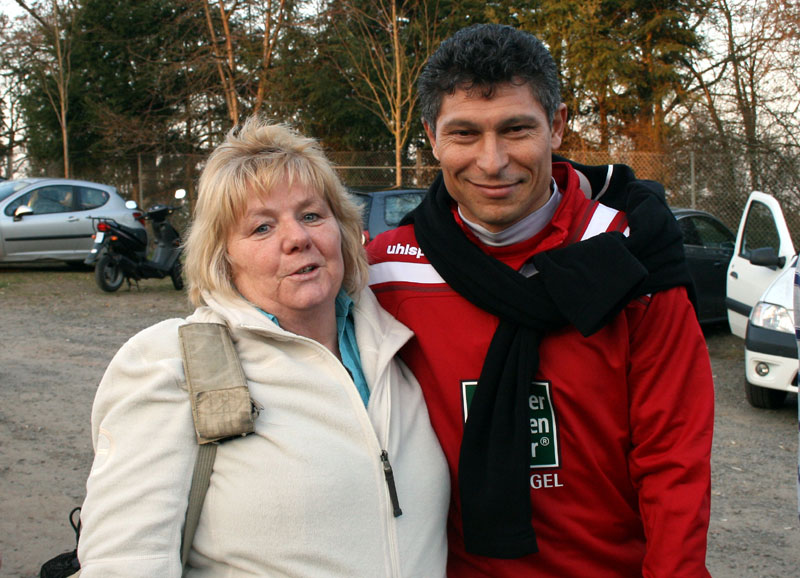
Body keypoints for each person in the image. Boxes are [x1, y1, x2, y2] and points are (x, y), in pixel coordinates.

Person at [367, 23, 714, 577]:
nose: (492, 160)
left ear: (556, 126)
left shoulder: (634, 255)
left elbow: (673, 456)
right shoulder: (385, 272)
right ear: (431, 137)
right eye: (464, 134)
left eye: (515, 128)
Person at [77, 117, 450, 576]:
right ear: (222, 256)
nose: (297, 238)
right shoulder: (172, 364)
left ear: (343, 229)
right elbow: (124, 563)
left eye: (312, 215)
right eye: (261, 228)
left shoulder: (396, 346)